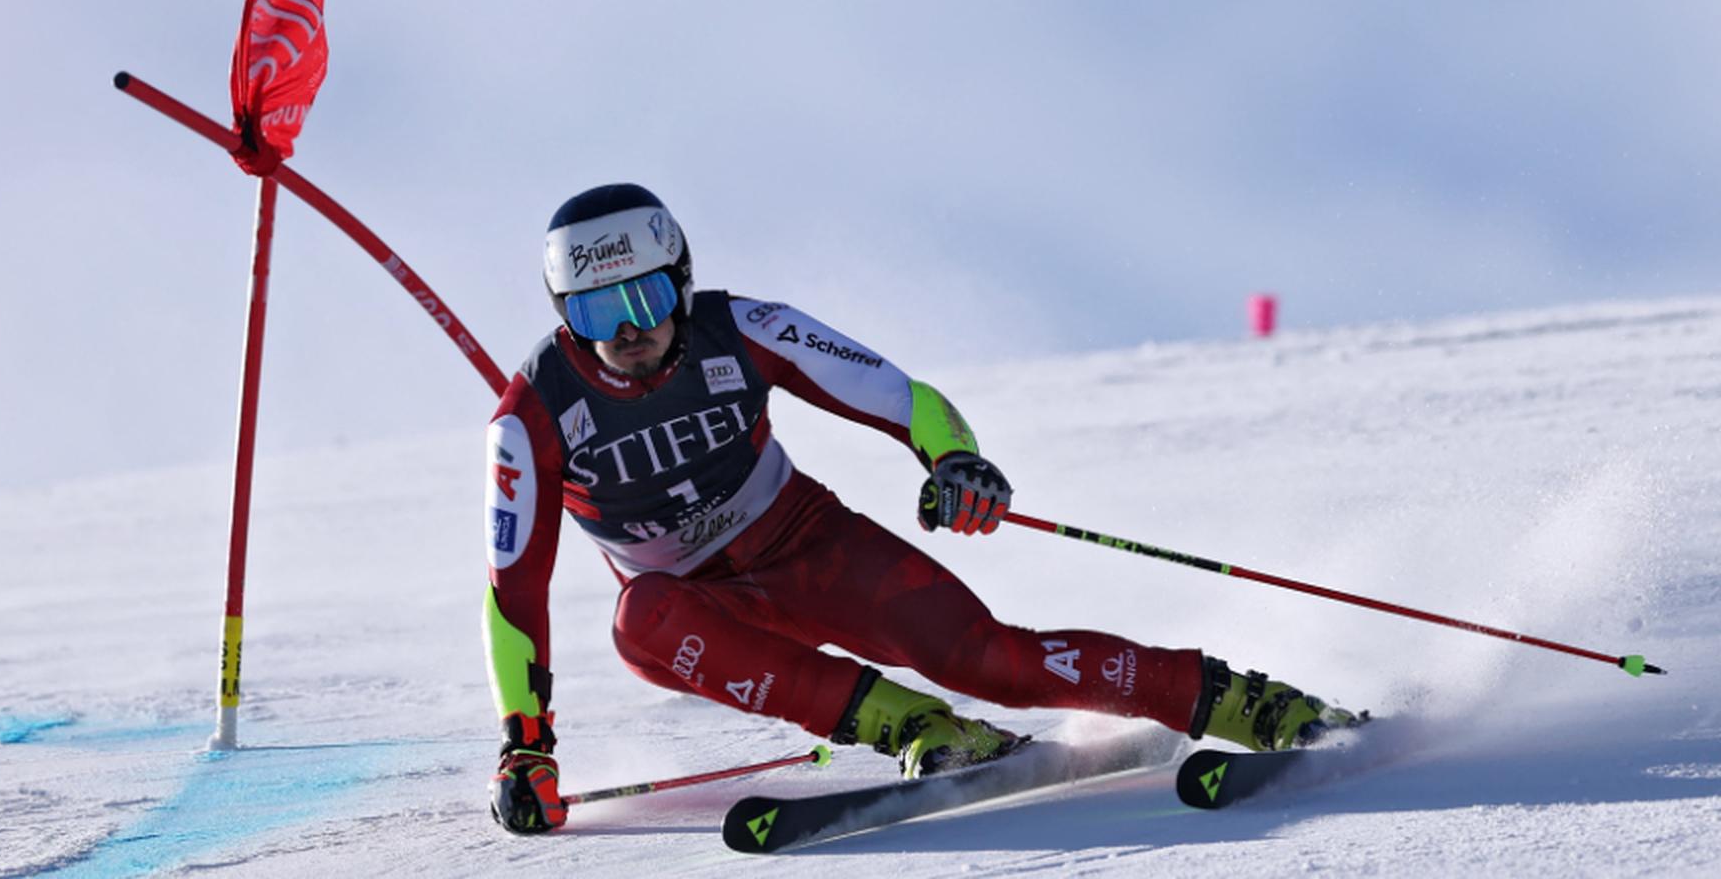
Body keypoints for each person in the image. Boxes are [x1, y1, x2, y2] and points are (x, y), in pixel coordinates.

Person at [485, 184, 1361, 834]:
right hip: (699, 608)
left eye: (643, 299)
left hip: (807, 545)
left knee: (994, 662)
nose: (625, 331)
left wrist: (954, 459)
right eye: (597, 311)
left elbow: (898, 393)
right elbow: (513, 593)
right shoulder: (531, 418)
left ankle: (1257, 706)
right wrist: (525, 743)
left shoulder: (743, 328)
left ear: (680, 282)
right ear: (566, 313)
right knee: (641, 620)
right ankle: (922, 731)